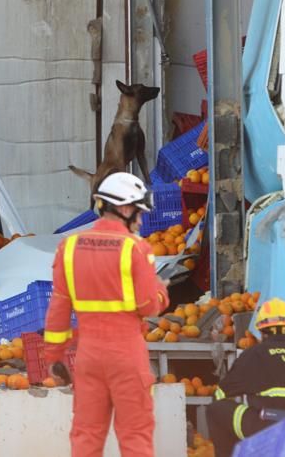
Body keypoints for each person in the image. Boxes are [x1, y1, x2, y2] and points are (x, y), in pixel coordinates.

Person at [43, 172, 170, 457]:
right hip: (127, 357)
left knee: (86, 436)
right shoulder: (137, 248)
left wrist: (53, 357)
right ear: (124, 209)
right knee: (135, 437)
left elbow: (58, 310)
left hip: (88, 358)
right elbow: (148, 306)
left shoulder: (69, 248)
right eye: (138, 213)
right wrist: (162, 291)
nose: (140, 221)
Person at [206, 298, 285, 457]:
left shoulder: (254, 354)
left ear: (262, 332)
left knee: (216, 409)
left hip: (271, 429)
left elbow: (220, 395)